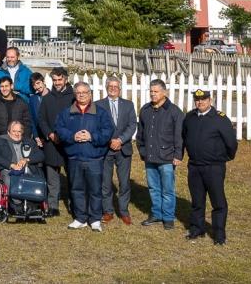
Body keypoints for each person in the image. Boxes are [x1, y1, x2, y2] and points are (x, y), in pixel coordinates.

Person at [56, 82, 114, 232]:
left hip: (94, 158)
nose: (81, 95)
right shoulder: (67, 112)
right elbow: (60, 129)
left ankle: (95, 219)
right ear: (75, 94)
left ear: (90, 94)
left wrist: (91, 136)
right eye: (78, 92)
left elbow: (108, 131)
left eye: (84, 92)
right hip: (75, 157)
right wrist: (72, 136)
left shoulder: (100, 113)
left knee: (95, 190)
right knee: (77, 189)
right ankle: (80, 218)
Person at [183, 88, 238, 246]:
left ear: (210, 100)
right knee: (197, 200)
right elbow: (184, 136)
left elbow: (231, 143)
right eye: (197, 100)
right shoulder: (190, 117)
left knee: (218, 201)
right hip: (194, 166)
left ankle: (219, 234)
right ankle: (197, 228)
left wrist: (225, 157)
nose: (200, 102)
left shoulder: (220, 119)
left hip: (213, 167)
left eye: (204, 99)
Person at [137, 78, 185, 230]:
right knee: (153, 188)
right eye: (151, 91)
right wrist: (142, 151)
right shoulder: (145, 110)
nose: (153, 94)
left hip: (167, 157)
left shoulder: (174, 112)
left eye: (156, 91)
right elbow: (140, 134)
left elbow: (179, 136)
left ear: (164, 92)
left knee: (167, 189)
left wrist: (178, 155)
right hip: (150, 156)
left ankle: (168, 217)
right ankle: (156, 213)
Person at [96, 76, 137, 225]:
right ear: (106, 87)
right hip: (105, 149)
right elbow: (97, 127)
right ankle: (108, 211)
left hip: (123, 148)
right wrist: (109, 141)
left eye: (116, 86)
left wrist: (120, 140)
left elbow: (132, 125)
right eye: (110, 86)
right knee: (105, 182)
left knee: (124, 182)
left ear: (120, 88)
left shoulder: (128, 104)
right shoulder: (98, 105)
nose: (113, 88)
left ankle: (124, 211)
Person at [38, 67, 75, 217]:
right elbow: (42, 119)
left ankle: (74, 204)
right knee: (52, 176)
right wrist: (50, 134)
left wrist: (69, 136)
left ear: (66, 79)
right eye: (55, 80)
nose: (58, 83)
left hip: (70, 142)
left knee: (73, 175)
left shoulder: (73, 97)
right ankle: (53, 205)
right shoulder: (47, 98)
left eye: (60, 80)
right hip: (52, 142)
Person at [0, 120, 45, 209]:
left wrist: (27, 160)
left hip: (26, 168)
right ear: (8, 132)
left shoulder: (29, 142)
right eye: (14, 131)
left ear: (22, 132)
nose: (17, 134)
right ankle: (16, 203)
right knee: (8, 180)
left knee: (35, 179)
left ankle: (31, 202)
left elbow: (41, 155)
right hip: (8, 169)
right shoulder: (0, 141)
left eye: (19, 131)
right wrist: (11, 165)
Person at [0, 75, 33, 144]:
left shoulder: (21, 102)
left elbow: (27, 123)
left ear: (11, 86)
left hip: (17, 141)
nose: (4, 89)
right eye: (2, 86)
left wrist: (24, 140)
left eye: (6, 86)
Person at [28, 72, 48, 140]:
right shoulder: (32, 99)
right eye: (34, 85)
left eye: (38, 83)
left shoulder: (53, 97)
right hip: (39, 136)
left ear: (43, 81)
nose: (37, 87)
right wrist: (36, 136)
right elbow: (32, 119)